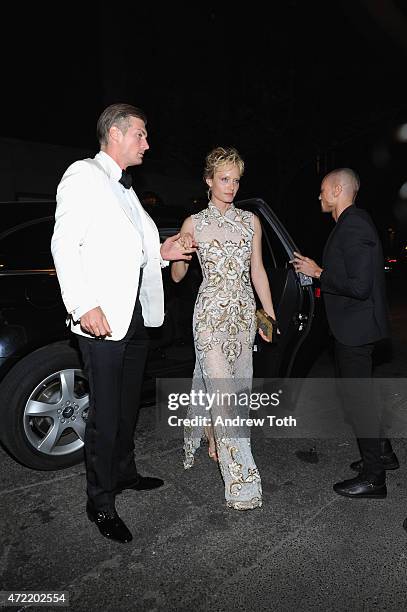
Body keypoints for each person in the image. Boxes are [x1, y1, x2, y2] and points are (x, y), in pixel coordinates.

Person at [51, 103, 194, 543]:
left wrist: (164, 252)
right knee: (105, 414)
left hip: (133, 319)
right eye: (141, 135)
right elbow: (64, 244)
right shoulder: (83, 175)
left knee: (128, 405)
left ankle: (125, 473)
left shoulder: (126, 191)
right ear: (115, 133)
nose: (147, 144)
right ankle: (100, 500)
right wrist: (83, 305)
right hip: (102, 320)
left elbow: (138, 247)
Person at [171, 146, 278, 510]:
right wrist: (181, 252)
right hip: (209, 317)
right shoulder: (194, 223)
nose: (231, 186)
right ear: (209, 181)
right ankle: (242, 481)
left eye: (236, 180)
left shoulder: (251, 221)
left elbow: (258, 271)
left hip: (243, 317)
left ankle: (217, 436)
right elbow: (178, 275)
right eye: (224, 179)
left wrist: (269, 314)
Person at [292, 168, 398, 499]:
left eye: (323, 189)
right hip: (352, 328)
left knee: (359, 401)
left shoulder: (354, 225)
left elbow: (361, 286)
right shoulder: (348, 225)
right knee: (356, 397)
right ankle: (383, 453)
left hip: (356, 331)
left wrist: (318, 272)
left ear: (338, 189)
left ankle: (374, 478)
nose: (319, 195)